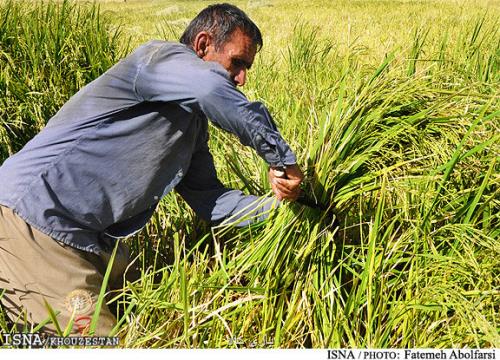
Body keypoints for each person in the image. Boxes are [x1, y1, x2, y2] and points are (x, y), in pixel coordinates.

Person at [0, 3, 303, 336]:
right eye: (237, 63)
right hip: (35, 222)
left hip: (94, 238)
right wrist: (281, 160)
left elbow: (208, 198)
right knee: (99, 343)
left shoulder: (191, 127)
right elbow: (209, 89)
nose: (242, 79)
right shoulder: (159, 59)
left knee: (142, 314)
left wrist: (283, 209)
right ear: (202, 45)